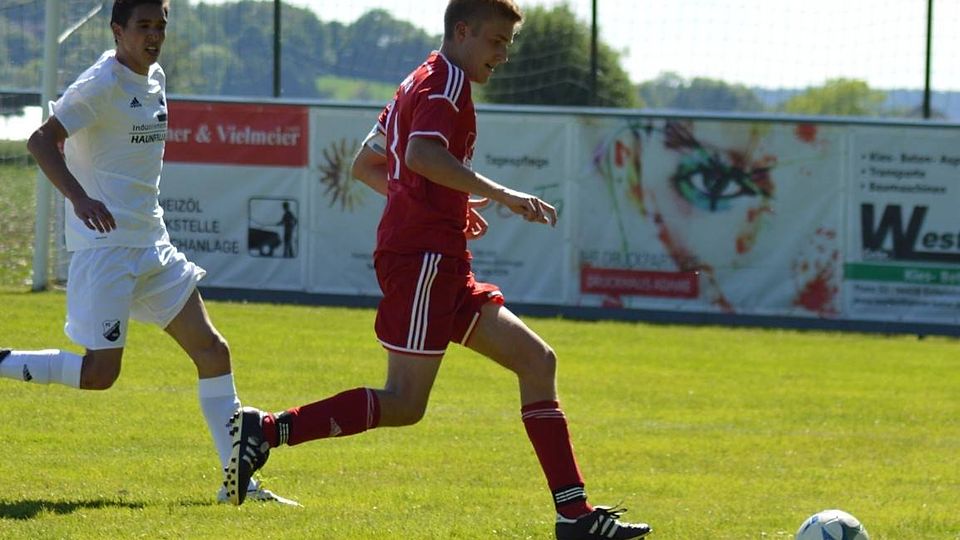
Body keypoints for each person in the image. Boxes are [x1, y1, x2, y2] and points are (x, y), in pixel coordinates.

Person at [226, 0, 653, 537]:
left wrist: (441, 203)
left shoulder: (419, 78)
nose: (503, 55)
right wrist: (500, 194)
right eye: (496, 41)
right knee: (405, 403)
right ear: (463, 30)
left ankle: (574, 516)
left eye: (509, 44)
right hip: (423, 259)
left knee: (537, 361)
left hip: (440, 257)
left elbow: (368, 165)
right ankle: (266, 430)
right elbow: (423, 156)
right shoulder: (446, 82)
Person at [0, 0, 295, 506]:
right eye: (143, 26)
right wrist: (80, 199)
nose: (154, 35)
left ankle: (237, 484)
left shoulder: (155, 76)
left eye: (160, 25)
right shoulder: (101, 83)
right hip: (107, 250)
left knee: (213, 351)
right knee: (100, 375)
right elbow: (40, 140)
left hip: (152, 244)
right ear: (117, 30)